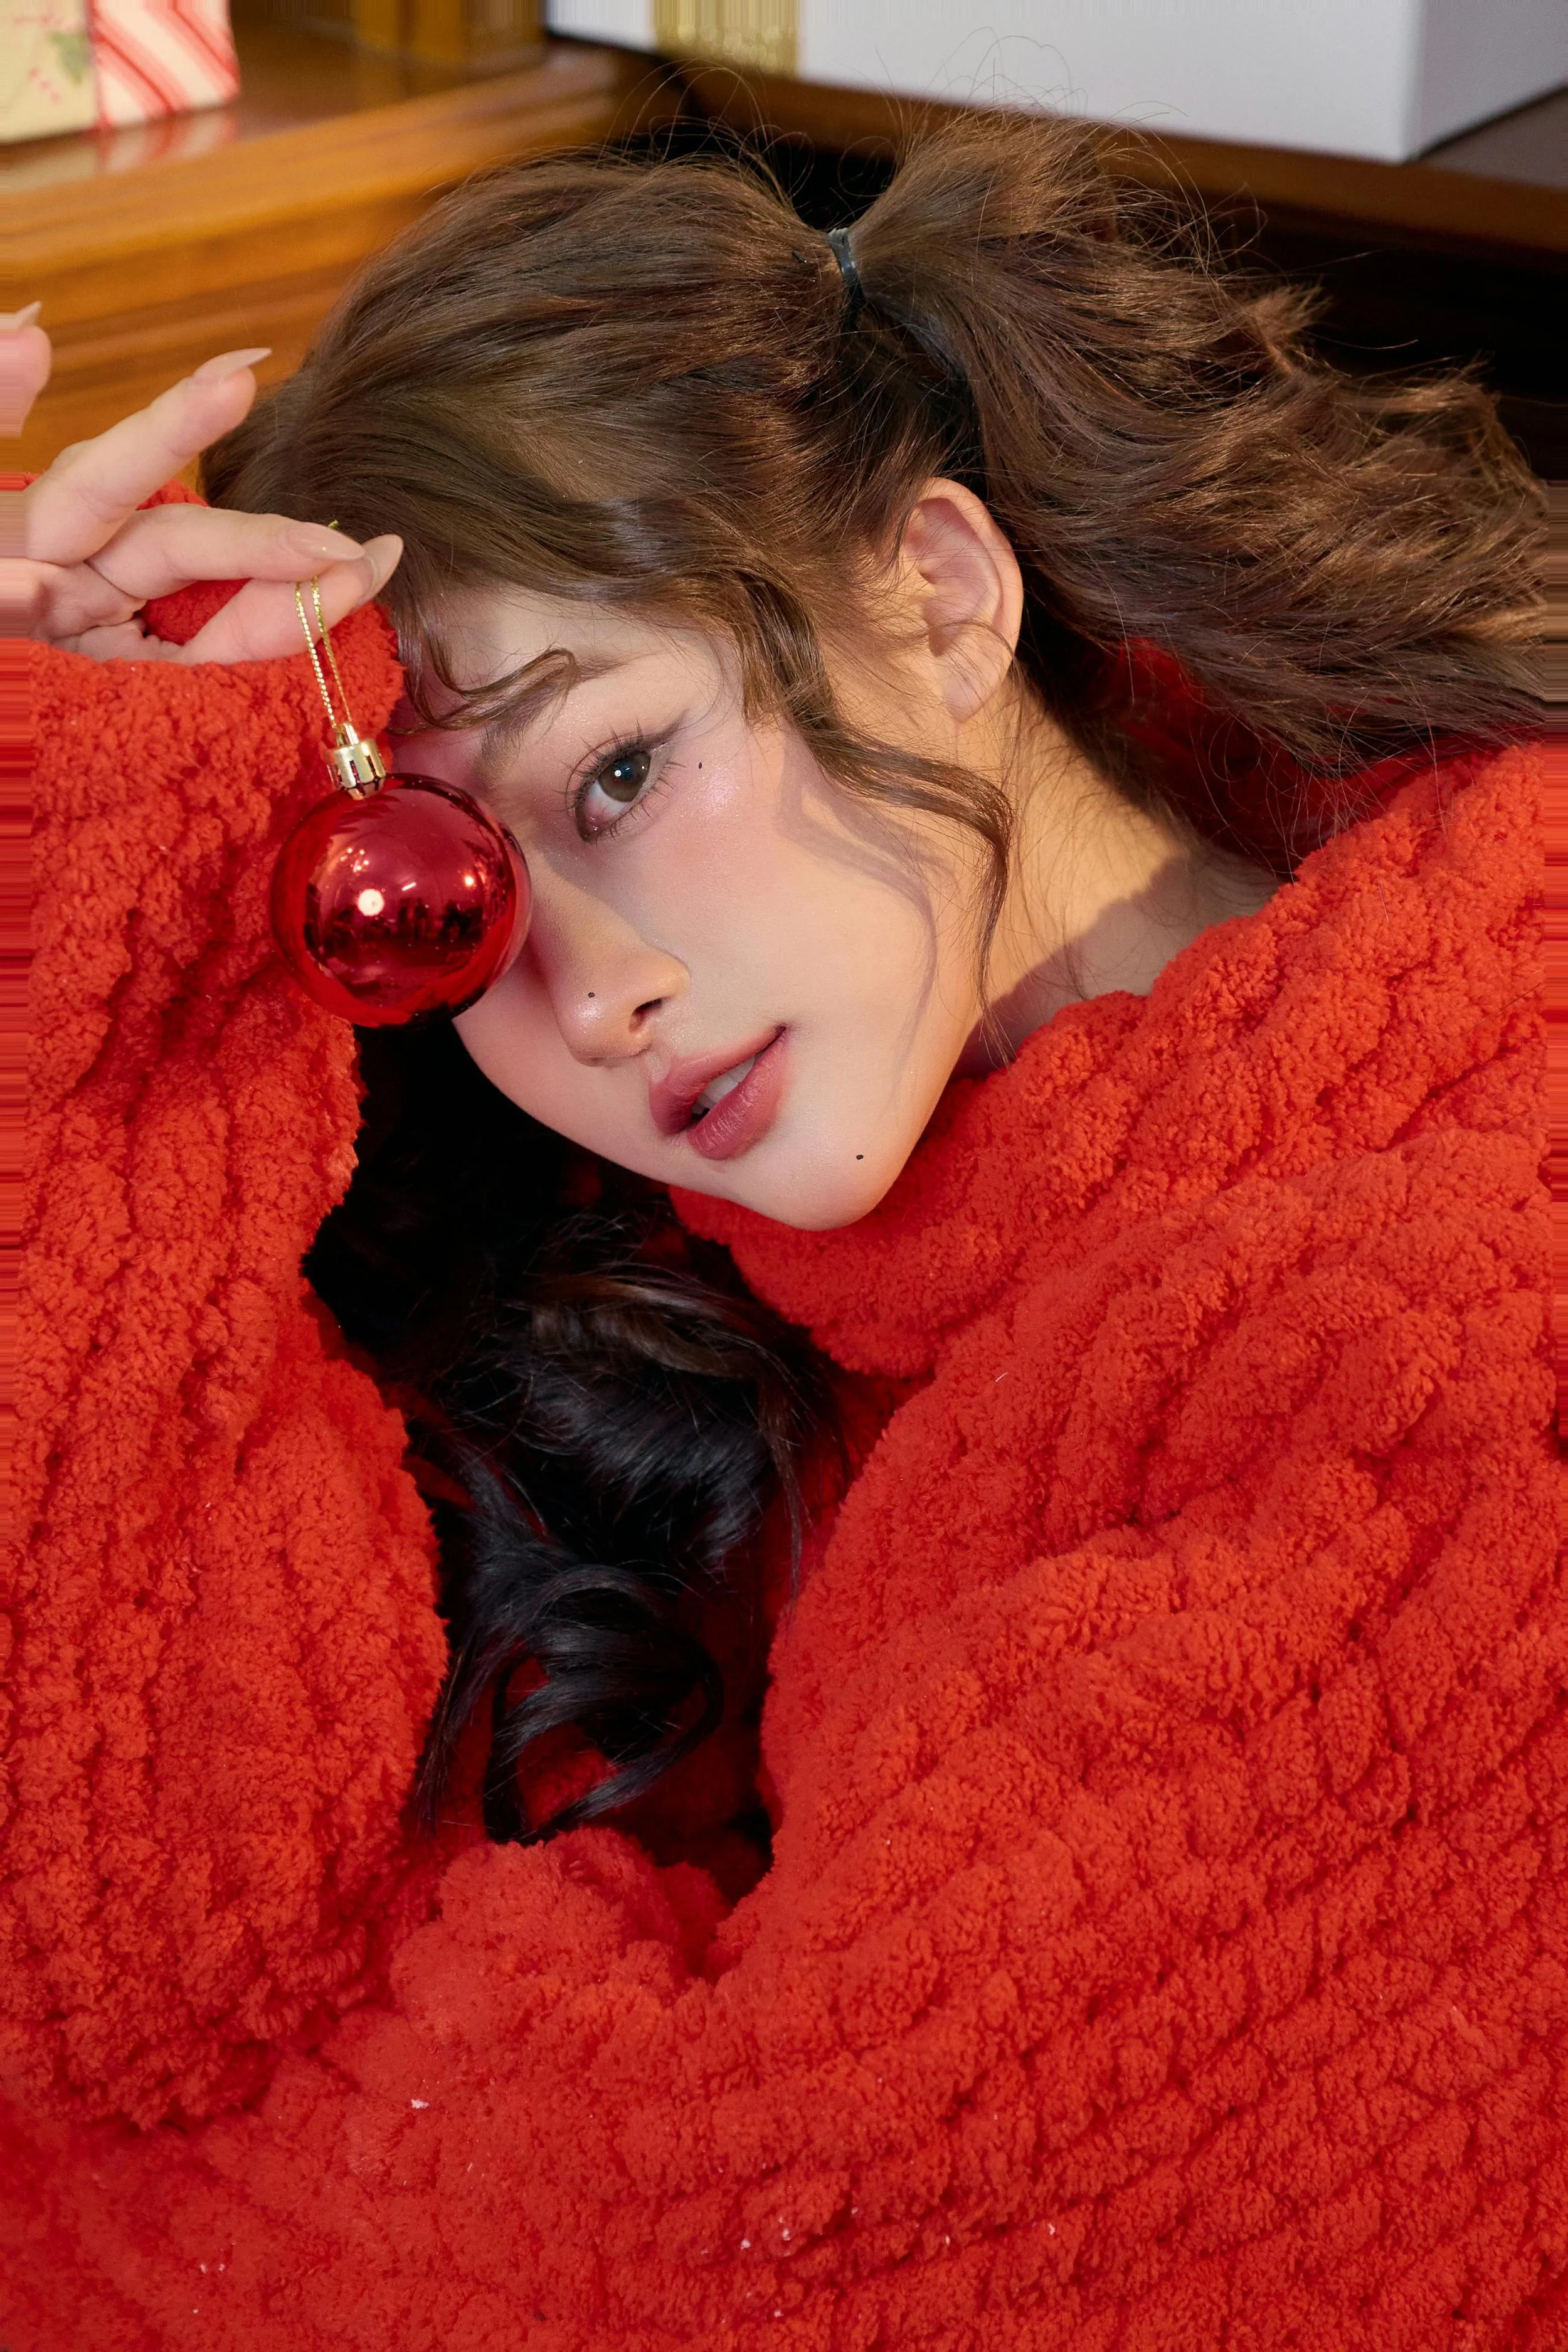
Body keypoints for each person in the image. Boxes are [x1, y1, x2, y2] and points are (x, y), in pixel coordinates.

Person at [9, 111, 1562, 2350]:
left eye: (617, 773)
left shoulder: (1444, 1330)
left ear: (934, 587)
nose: (591, 994)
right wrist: (69, 951)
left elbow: (715, 2270)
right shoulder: (685, 1253)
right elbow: (115, 1951)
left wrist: (171, 2146)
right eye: (451, 915)